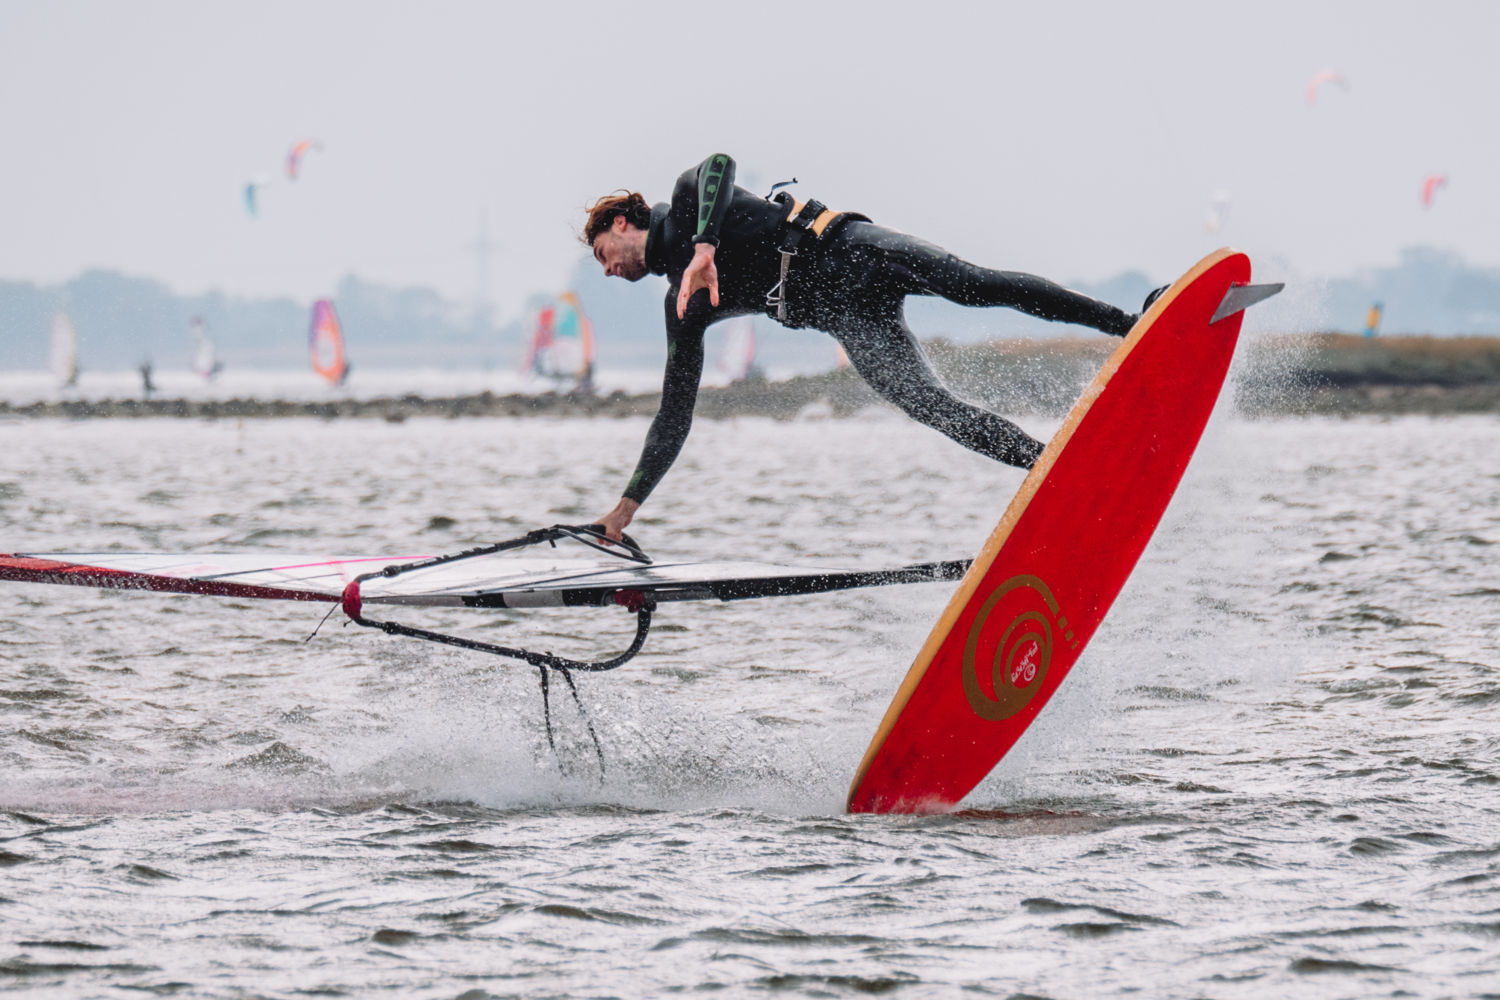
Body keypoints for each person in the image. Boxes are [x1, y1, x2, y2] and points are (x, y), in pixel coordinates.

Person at [585, 153, 1147, 540]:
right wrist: (624, 510)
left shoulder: (689, 200)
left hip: (851, 251)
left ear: (620, 221)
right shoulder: (683, 307)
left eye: (600, 252)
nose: (605, 270)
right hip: (845, 316)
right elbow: (674, 413)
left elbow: (719, 165)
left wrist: (705, 246)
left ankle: (1130, 323)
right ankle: (1052, 470)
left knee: (973, 284)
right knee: (928, 405)